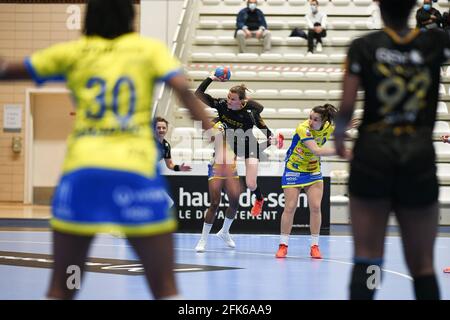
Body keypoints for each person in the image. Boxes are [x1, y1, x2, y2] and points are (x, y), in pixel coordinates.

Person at [0, 0, 214, 300]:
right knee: (164, 287)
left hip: (82, 176)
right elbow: (186, 96)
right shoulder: (147, 50)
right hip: (134, 174)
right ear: (130, 15)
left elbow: (7, 69)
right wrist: (222, 149)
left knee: (65, 286)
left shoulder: (73, 53)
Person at [335, 0, 444, 299]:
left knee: (368, 257)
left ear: (380, 6)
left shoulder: (363, 46)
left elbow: (345, 108)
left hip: (373, 155)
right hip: (417, 156)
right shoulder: (435, 43)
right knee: (423, 265)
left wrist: (340, 137)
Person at [195, 73, 282, 217]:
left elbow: (265, 130)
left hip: (250, 147)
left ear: (242, 101)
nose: (229, 100)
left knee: (251, 184)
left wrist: (273, 139)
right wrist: (210, 78)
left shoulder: (250, 113)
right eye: (228, 97)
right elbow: (198, 94)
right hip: (231, 146)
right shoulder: (222, 105)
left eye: (233, 99)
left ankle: (259, 199)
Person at [275, 104, 350, 259]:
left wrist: (348, 126)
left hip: (313, 170)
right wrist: (340, 150)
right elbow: (316, 150)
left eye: (315, 119)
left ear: (324, 122)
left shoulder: (328, 127)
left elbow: (339, 129)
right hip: (294, 169)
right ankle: (283, 245)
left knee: (315, 207)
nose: (311, 121)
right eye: (310, 117)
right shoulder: (303, 128)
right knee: (289, 207)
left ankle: (314, 246)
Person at [195, 122, 243, 252]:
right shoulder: (218, 124)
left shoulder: (241, 123)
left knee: (234, 203)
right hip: (216, 167)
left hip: (232, 168)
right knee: (215, 202)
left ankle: (224, 232)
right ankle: (203, 239)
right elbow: (211, 139)